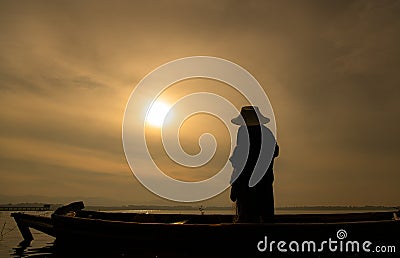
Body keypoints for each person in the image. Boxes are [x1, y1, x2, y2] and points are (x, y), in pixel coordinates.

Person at [229, 106, 279, 223]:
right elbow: (275, 151)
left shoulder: (244, 131)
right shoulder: (265, 132)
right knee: (263, 213)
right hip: (262, 180)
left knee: (249, 214)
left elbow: (241, 155)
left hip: (250, 180)